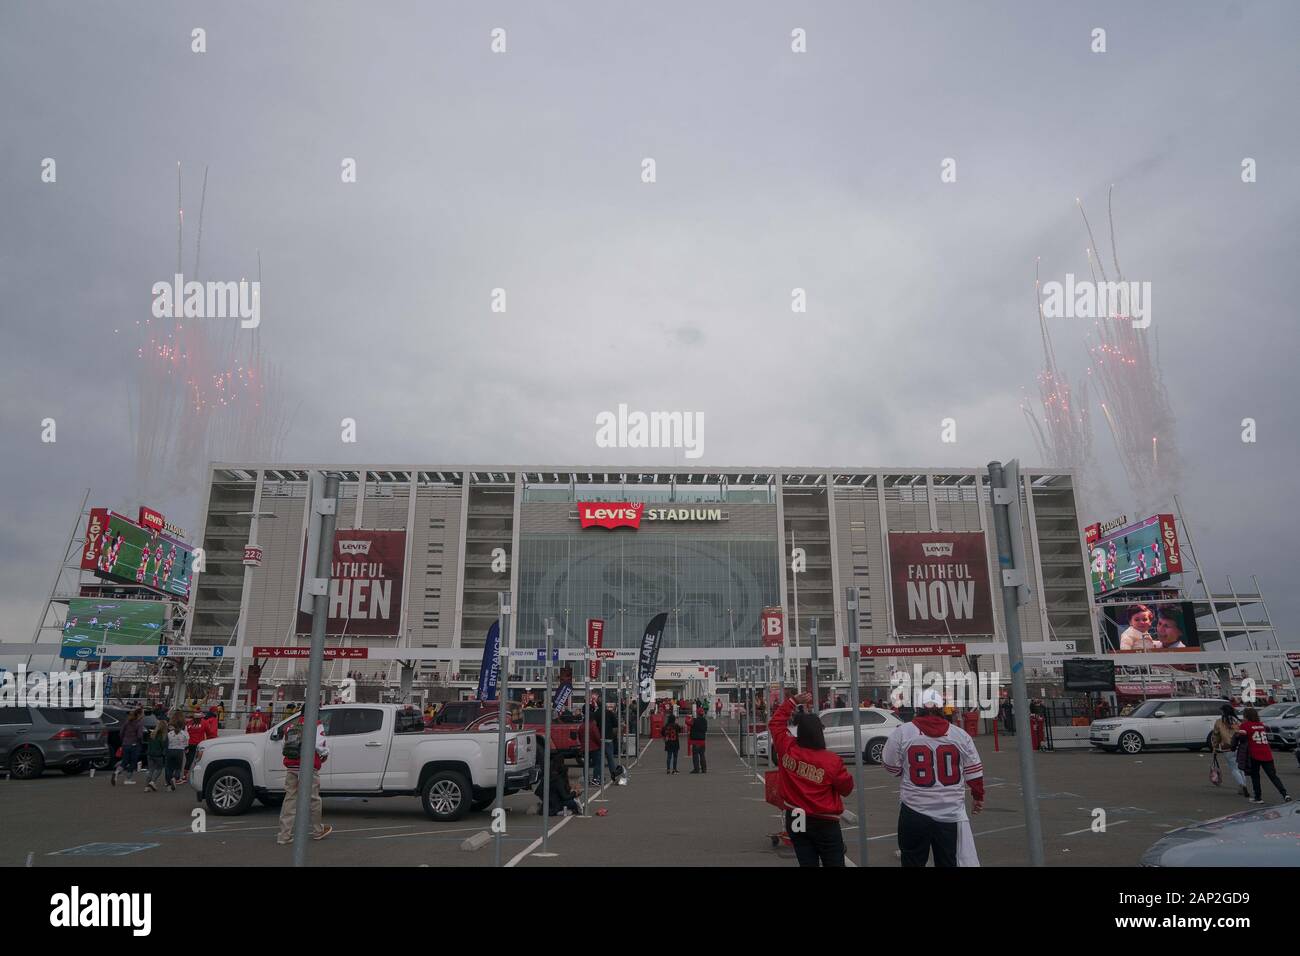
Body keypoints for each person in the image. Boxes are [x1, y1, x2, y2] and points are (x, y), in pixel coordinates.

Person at [882, 687, 985, 867]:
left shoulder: (903, 732)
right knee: (947, 861)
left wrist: (903, 772)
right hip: (949, 811)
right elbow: (974, 771)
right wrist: (978, 796)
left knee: (912, 860)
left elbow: (890, 765)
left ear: (918, 707)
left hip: (914, 808)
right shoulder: (960, 735)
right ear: (941, 707)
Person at [769, 691, 853, 867]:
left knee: (806, 861)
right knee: (834, 861)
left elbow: (776, 724)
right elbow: (846, 789)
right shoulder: (831, 761)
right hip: (824, 819)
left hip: (796, 816)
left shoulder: (787, 748)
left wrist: (792, 702)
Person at [277, 715, 333, 844]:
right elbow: (320, 745)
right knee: (313, 798)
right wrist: (324, 754)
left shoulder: (291, 725)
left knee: (290, 799)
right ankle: (318, 830)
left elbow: (284, 745)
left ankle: (284, 835)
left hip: (291, 765)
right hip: (308, 766)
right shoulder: (315, 723)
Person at [1236, 707, 1292, 805]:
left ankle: (1258, 797)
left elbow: (1242, 739)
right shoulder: (1261, 725)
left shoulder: (1245, 726)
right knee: (1273, 776)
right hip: (1266, 753)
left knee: (1255, 776)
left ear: (1246, 716)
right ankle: (1285, 794)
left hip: (1254, 754)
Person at [1211, 704, 1248, 797]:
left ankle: (1242, 785)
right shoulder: (1238, 722)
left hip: (1227, 747)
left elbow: (1216, 736)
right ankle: (1244, 785)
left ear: (1223, 712)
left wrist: (1214, 747)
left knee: (1233, 768)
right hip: (1240, 747)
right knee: (1241, 768)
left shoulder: (1219, 722)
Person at [112, 708, 145, 786]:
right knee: (133, 762)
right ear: (140, 715)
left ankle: (116, 772)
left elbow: (121, 733)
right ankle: (128, 779)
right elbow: (140, 735)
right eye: (143, 713)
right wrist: (140, 742)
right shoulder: (139, 723)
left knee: (125, 761)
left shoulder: (127, 722)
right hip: (134, 744)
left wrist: (123, 740)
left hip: (125, 743)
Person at [181, 711, 205, 782]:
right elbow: (209, 732)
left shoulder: (188, 723)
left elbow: (184, 734)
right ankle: (197, 776)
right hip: (199, 745)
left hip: (188, 744)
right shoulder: (204, 723)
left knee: (189, 760)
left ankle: (185, 776)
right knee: (198, 761)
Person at [165, 715, 188, 791]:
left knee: (169, 768)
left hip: (170, 750)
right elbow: (186, 744)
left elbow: (167, 743)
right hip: (179, 751)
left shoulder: (169, 734)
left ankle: (169, 783)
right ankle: (175, 778)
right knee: (178, 767)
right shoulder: (184, 734)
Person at [143, 721, 167, 792]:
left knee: (151, 770)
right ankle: (152, 782)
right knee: (159, 769)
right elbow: (164, 746)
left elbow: (148, 744)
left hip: (150, 754)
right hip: (158, 755)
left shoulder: (152, 734)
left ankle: (146, 787)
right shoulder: (163, 735)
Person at [689, 707, 708, 773]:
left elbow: (688, 723)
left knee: (695, 755)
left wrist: (689, 718)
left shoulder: (694, 720)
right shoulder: (705, 721)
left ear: (697, 713)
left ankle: (696, 769)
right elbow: (705, 730)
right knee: (702, 755)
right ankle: (704, 769)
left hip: (695, 740)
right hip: (702, 740)